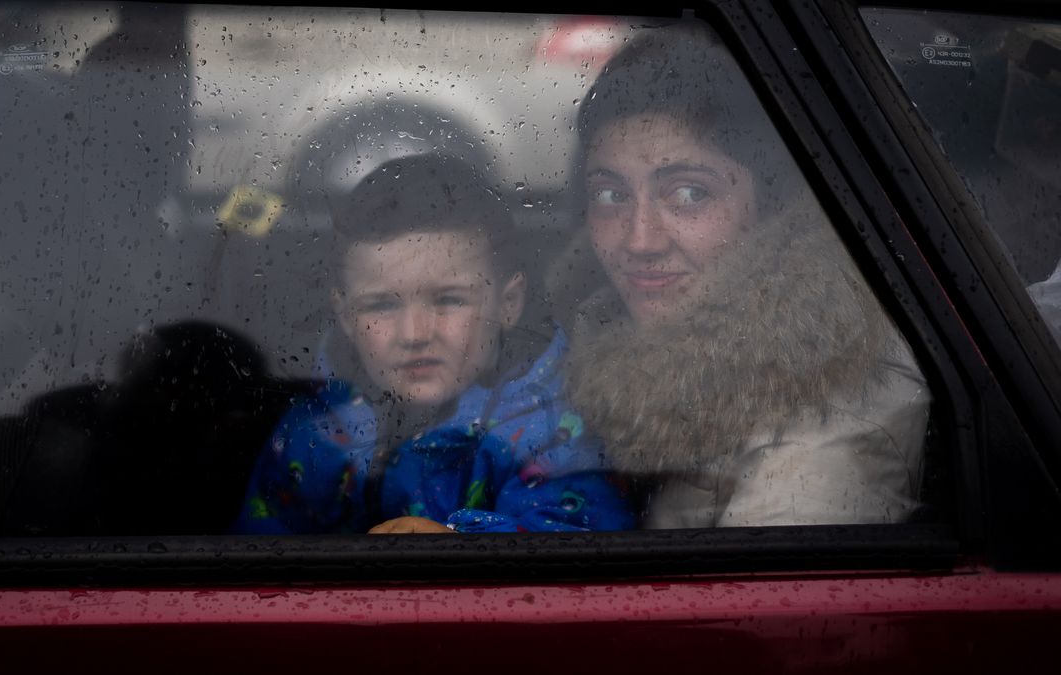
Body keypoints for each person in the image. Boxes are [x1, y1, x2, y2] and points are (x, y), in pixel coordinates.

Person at [553, 24, 931, 528]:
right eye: (610, 195)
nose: (640, 241)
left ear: (770, 205)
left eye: (689, 194)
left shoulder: (822, 442)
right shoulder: (579, 342)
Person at [232, 154, 634, 534]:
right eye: (381, 305)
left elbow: (580, 549)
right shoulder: (315, 430)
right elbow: (260, 566)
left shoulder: (553, 430)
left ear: (508, 304)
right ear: (345, 315)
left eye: (448, 300)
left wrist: (455, 547)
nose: (415, 333)